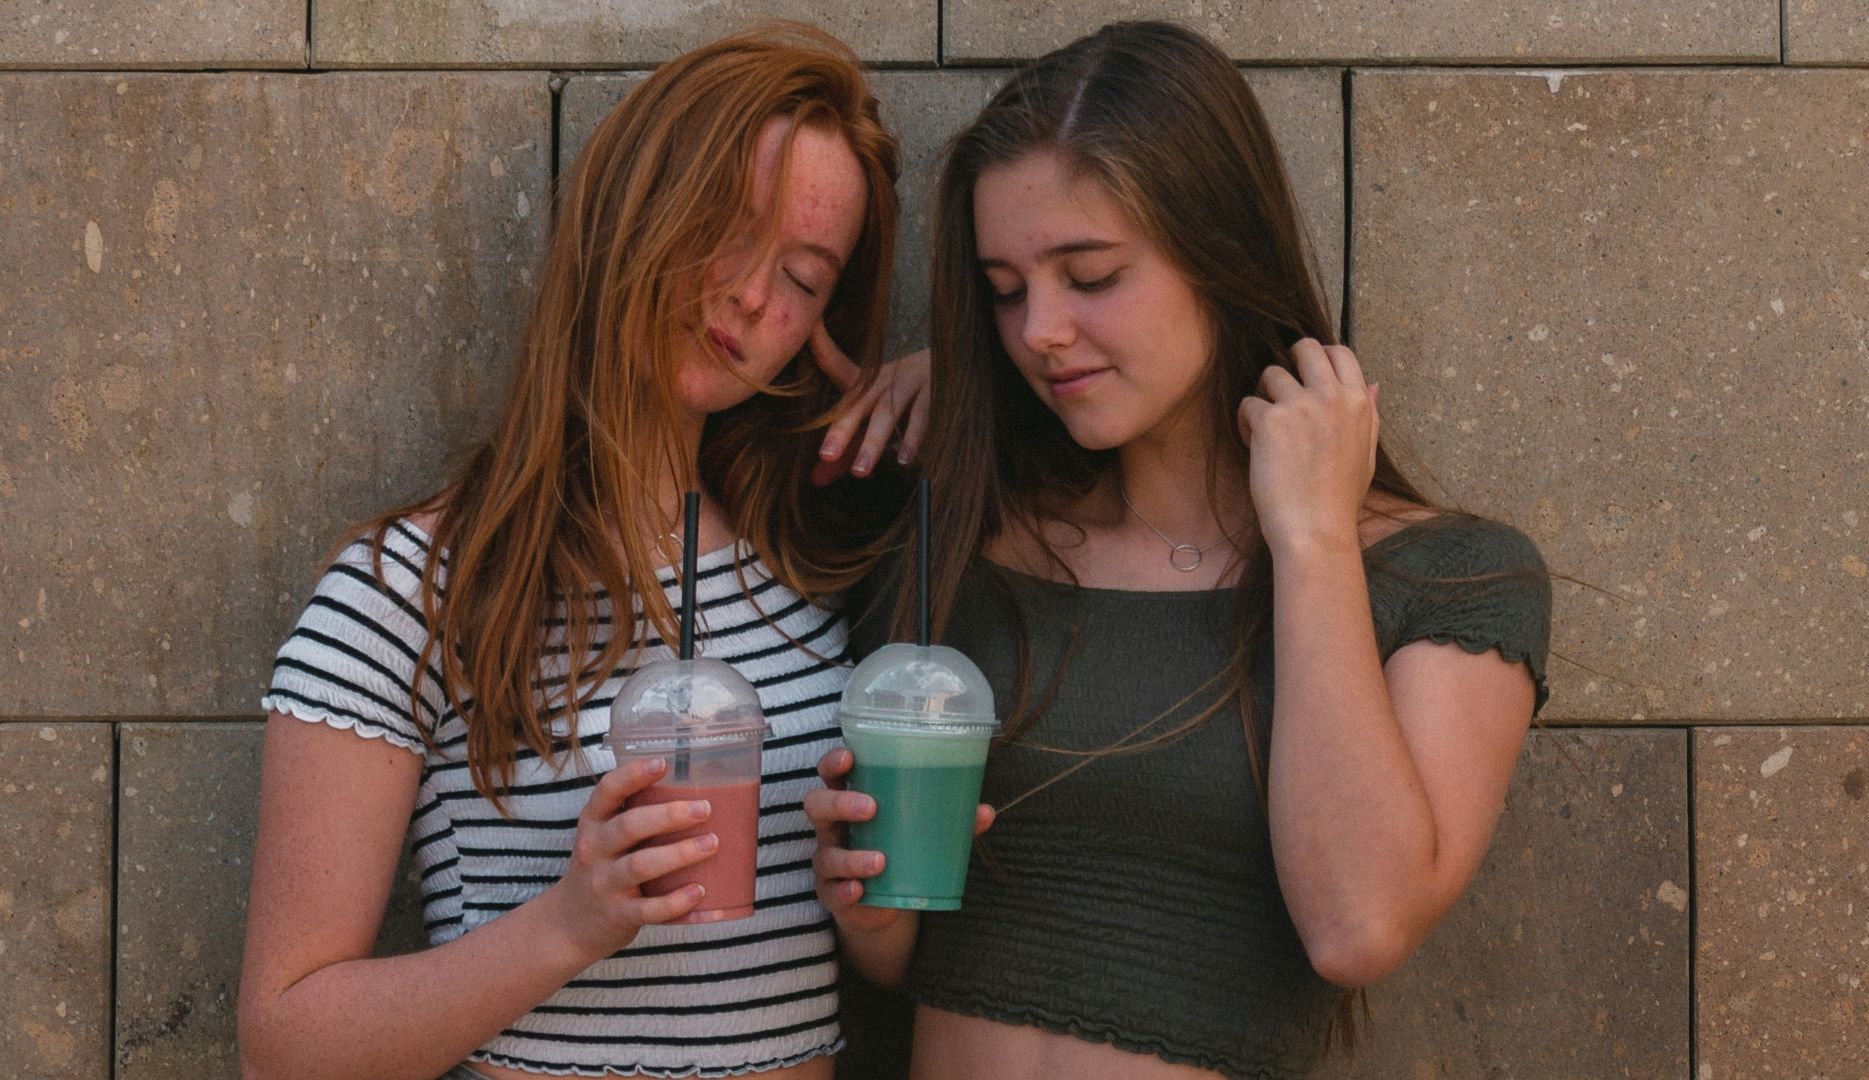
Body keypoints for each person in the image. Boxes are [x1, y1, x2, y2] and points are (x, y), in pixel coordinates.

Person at [808, 21, 1552, 1080]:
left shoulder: (1449, 579)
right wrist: (865, 906)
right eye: (1007, 291)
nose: (1040, 332)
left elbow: (1359, 926)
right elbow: (907, 958)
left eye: (1092, 274)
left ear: (1220, 254)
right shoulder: (960, 542)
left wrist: (1311, 536)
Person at [237, 22, 927, 1080]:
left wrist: (954, 392)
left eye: (804, 276)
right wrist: (569, 922)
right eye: (731, 232)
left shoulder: (827, 569)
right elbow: (286, 1044)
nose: (755, 296)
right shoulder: (407, 593)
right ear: (632, 211)